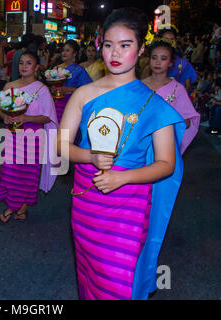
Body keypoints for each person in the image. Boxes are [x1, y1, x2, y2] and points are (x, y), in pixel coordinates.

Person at [57, 7, 186, 300]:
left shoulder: (154, 104)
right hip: (87, 199)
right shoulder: (84, 94)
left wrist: (123, 177)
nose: (115, 53)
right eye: (108, 44)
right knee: (90, 273)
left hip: (128, 202)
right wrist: (89, 156)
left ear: (140, 49)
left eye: (125, 45)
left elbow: (166, 164)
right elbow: (60, 145)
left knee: (117, 282)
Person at [0, 51, 58, 222]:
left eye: (28, 63)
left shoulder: (41, 89)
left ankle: (15, 207)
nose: (23, 66)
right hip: (12, 135)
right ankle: (18, 207)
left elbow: (48, 116)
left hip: (33, 137)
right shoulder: (9, 86)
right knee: (10, 172)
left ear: (37, 67)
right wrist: (4, 116)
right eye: (21, 63)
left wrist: (26, 118)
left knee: (28, 174)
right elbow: (0, 109)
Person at [143, 39, 200, 154]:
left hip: (164, 146)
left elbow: (187, 122)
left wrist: (166, 121)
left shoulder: (177, 89)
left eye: (163, 59)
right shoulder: (139, 86)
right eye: (154, 58)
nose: (158, 62)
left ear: (170, 62)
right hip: (139, 144)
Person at [53, 40, 92, 124]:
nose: (64, 53)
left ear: (74, 53)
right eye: (63, 50)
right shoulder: (57, 68)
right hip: (56, 105)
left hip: (71, 106)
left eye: (67, 50)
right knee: (55, 131)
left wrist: (70, 89)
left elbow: (88, 91)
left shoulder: (79, 70)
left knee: (66, 133)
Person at [159, 28, 197, 93]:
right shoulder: (154, 62)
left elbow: (188, 87)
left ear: (176, 41)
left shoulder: (183, 63)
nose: (169, 42)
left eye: (172, 39)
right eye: (166, 39)